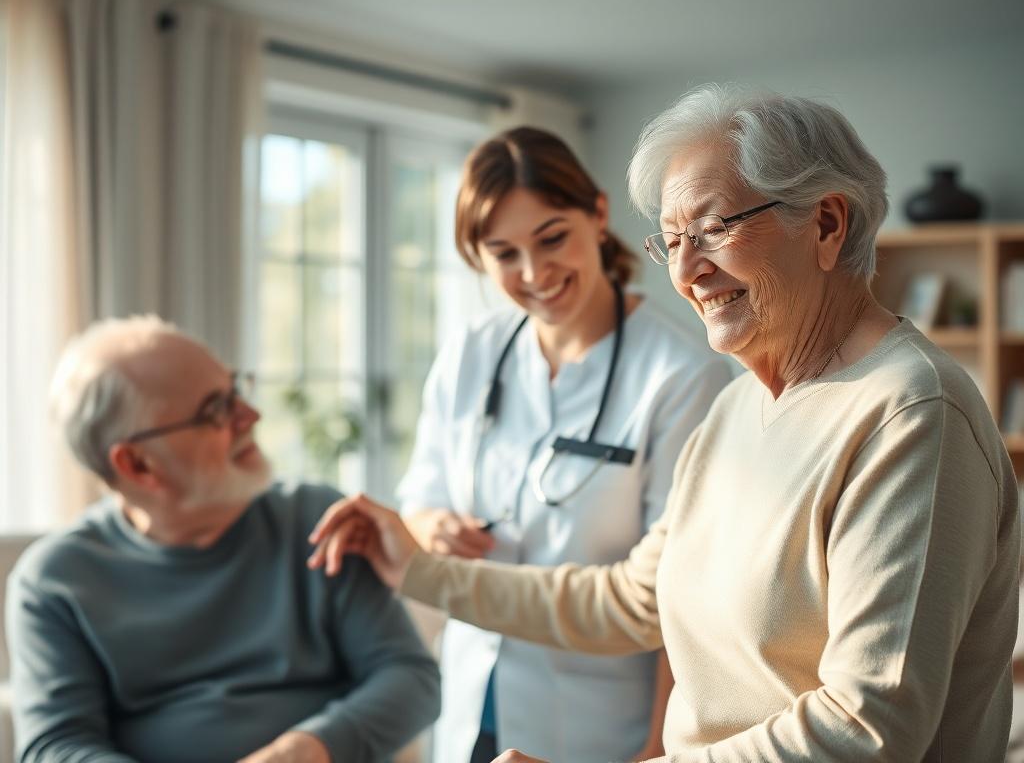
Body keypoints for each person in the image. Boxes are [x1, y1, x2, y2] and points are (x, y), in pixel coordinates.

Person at [308, 86, 1021, 762]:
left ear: (828, 224)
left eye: (712, 229)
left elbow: (870, 727)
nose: (687, 271)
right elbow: (629, 600)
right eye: (671, 241)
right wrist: (418, 569)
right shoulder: (740, 407)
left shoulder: (911, 414)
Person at [386, 127, 732, 763]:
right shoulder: (472, 352)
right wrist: (435, 528)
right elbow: (420, 495)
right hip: (470, 697)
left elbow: (684, 602)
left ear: (598, 215)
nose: (534, 273)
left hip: (596, 723)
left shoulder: (682, 374)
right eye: (503, 254)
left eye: (552, 239)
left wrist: (657, 752)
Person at [6, 316, 441, 763]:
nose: (251, 416)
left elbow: (410, 677)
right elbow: (55, 746)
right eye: (216, 410)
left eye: (237, 390)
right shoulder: (54, 581)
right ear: (137, 465)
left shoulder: (319, 522)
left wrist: (307, 750)